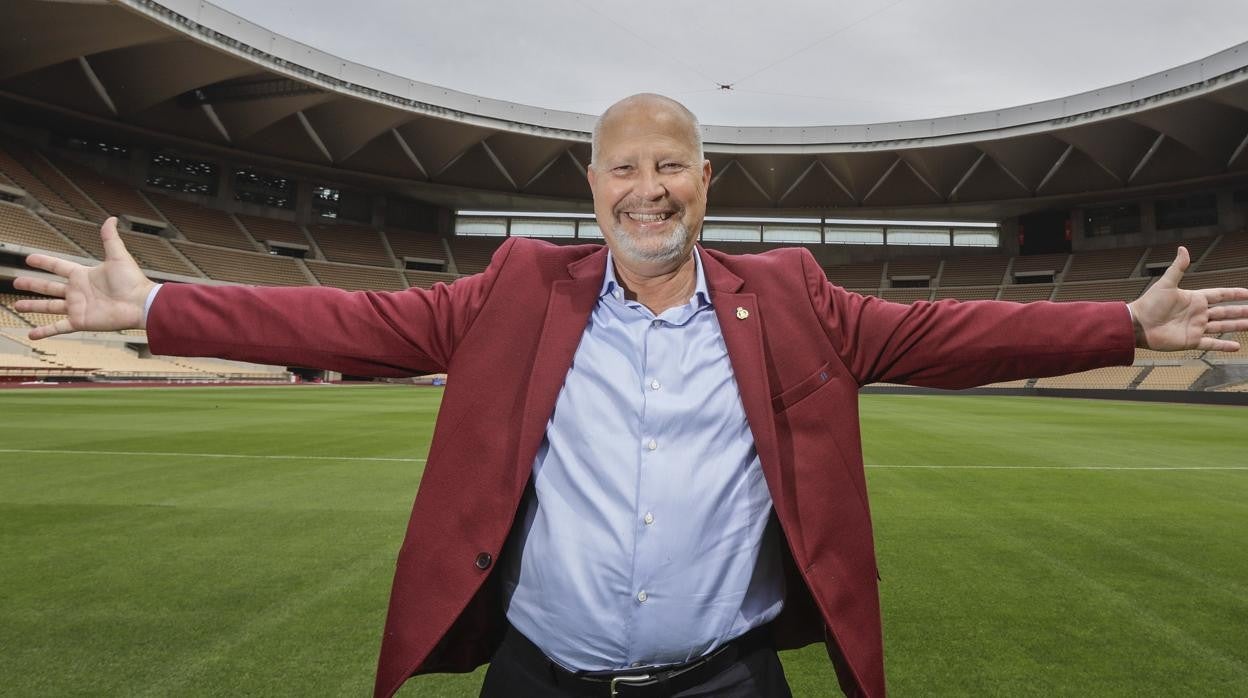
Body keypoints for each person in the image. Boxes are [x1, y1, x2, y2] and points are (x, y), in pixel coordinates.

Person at [14, 94, 1248, 698]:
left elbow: (944, 329)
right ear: (589, 182)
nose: (646, 189)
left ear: (707, 179)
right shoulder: (514, 287)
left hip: (727, 678)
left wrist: (1120, 323)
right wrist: (159, 307)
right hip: (541, 675)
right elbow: (352, 320)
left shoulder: (798, 294)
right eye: (624, 168)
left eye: (670, 166)